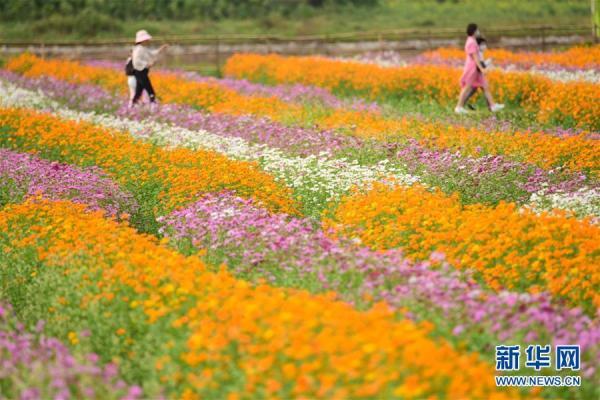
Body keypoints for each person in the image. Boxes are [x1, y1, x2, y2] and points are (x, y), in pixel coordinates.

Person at [455, 23, 503, 114]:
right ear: (474, 31)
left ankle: (493, 106)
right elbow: (475, 57)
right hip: (473, 67)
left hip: (475, 67)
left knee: (485, 86)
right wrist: (481, 68)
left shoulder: (471, 40)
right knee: (467, 87)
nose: (478, 32)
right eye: (477, 30)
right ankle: (459, 107)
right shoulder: (471, 42)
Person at [131, 30, 168, 106]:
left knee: (139, 92)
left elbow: (152, 53)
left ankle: (132, 106)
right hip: (140, 72)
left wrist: (161, 49)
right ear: (143, 40)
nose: (148, 41)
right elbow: (136, 61)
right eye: (146, 39)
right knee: (150, 91)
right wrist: (147, 64)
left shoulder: (143, 48)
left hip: (142, 72)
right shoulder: (139, 49)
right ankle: (153, 106)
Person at [463, 37, 492, 110]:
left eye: (485, 44)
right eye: (482, 44)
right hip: (476, 76)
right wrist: (488, 62)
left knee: (474, 90)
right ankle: (491, 107)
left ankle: (462, 105)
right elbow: (480, 65)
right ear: (477, 46)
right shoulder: (478, 54)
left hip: (477, 75)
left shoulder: (480, 53)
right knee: (485, 89)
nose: (484, 46)